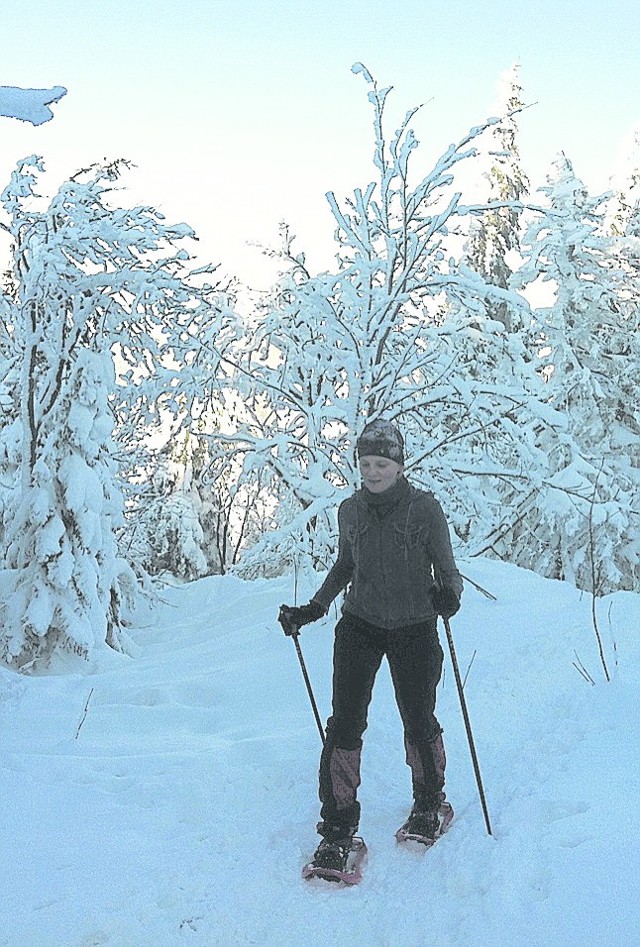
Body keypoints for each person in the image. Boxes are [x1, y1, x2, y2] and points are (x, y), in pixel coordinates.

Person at [279, 419, 463, 872]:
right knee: (344, 724)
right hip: (359, 624)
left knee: (418, 717)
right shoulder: (350, 510)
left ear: (399, 466)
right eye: (366, 463)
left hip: (415, 625)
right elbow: (345, 564)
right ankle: (338, 829)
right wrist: (316, 607)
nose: (373, 472)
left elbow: (448, 569)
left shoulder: (424, 509)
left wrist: (449, 596)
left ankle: (428, 802)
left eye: (382, 463)